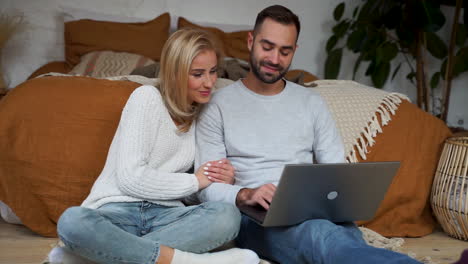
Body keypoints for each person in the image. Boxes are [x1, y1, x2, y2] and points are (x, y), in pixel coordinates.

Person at [195, 5, 422, 264]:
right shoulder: (217, 105)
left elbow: (335, 171)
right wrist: (247, 193)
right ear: (250, 41)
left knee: (341, 239)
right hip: (255, 219)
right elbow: (206, 189)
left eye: (285, 51)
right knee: (323, 239)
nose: (274, 59)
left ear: (294, 51)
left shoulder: (311, 103)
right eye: (267, 46)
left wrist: (341, 197)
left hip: (313, 212)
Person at [56, 28, 260, 264]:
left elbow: (186, 194)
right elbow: (130, 178)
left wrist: (220, 179)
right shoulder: (146, 98)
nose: (210, 82)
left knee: (227, 216)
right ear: (174, 74)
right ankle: (189, 261)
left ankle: (94, 257)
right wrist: (196, 180)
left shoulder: (204, 116)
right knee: (72, 221)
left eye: (213, 71)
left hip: (167, 216)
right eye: (198, 74)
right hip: (116, 212)